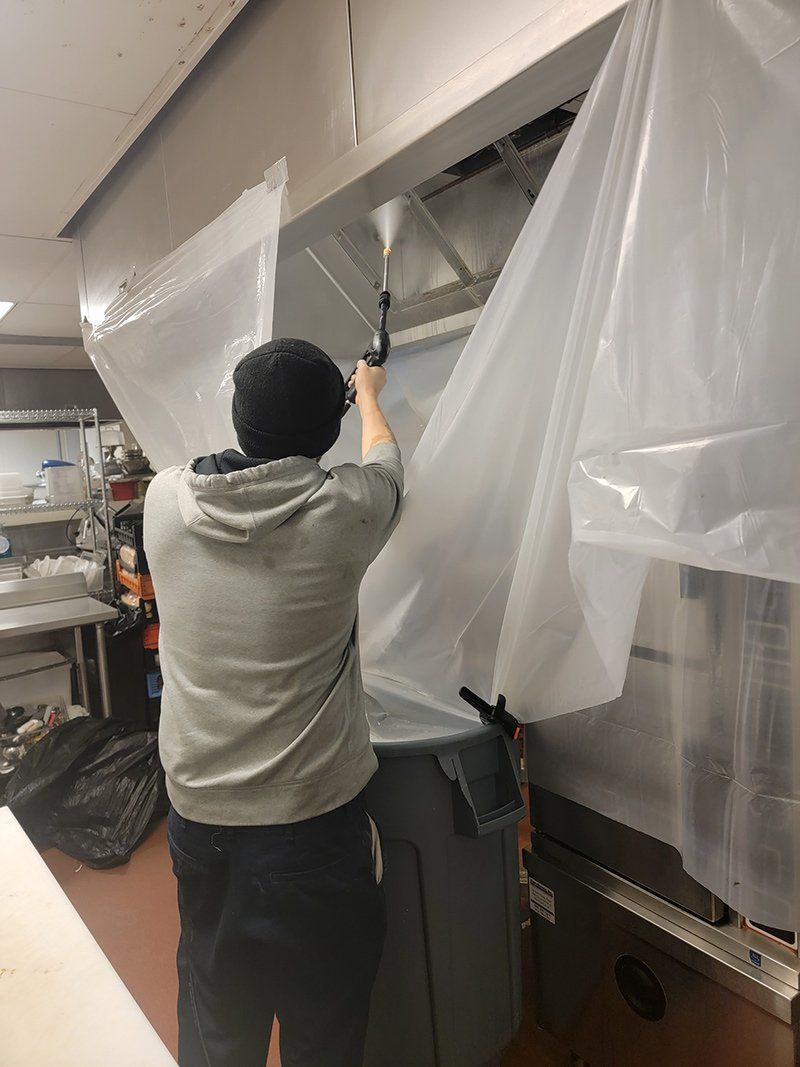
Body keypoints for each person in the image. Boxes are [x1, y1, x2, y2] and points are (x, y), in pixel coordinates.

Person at [143, 338, 403, 1067]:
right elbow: (387, 461)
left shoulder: (163, 504)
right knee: (325, 1032)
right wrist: (372, 395)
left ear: (237, 418)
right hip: (314, 830)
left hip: (202, 821)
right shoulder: (347, 510)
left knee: (218, 1026)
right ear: (328, 433)